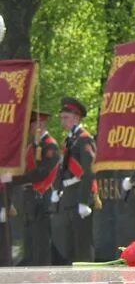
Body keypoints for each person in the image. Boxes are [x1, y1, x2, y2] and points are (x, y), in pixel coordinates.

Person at [10, 110, 60, 266]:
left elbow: (42, 173)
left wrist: (14, 179)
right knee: (30, 232)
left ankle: (42, 267)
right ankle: (31, 263)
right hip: (30, 194)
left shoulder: (50, 145)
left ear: (40, 125)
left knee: (41, 235)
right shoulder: (33, 145)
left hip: (42, 194)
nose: (29, 128)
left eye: (31, 124)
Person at [51, 96, 96, 263]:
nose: (63, 121)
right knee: (70, 243)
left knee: (83, 243)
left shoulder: (84, 139)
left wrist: (84, 201)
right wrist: (57, 189)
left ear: (76, 118)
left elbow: (89, 171)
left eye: (66, 118)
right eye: (61, 117)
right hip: (69, 195)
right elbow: (62, 167)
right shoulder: (70, 140)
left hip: (80, 194)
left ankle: (87, 283)